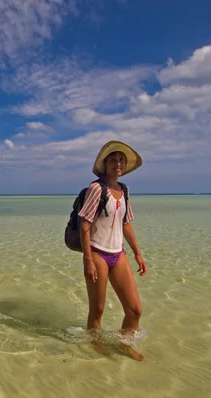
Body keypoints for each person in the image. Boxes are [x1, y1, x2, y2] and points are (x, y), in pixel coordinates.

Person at [78, 140, 148, 360]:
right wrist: (88, 259)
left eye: (120, 159)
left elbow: (126, 223)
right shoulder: (96, 189)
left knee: (135, 309)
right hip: (97, 252)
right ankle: (94, 344)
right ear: (105, 164)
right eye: (112, 159)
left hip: (118, 254)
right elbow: (84, 224)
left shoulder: (124, 190)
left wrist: (137, 253)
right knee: (97, 309)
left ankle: (125, 345)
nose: (117, 163)